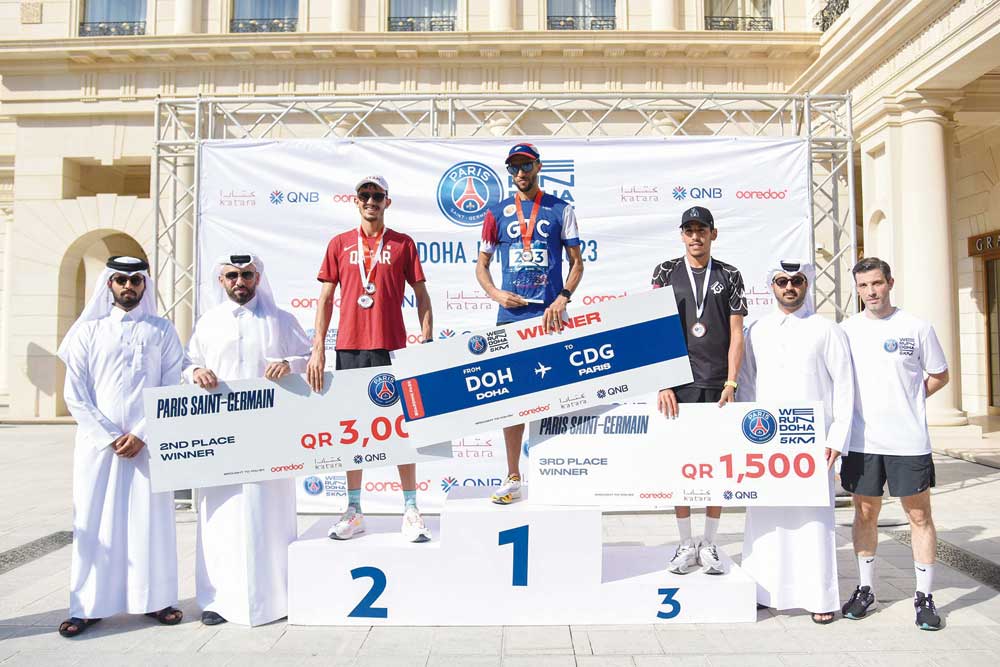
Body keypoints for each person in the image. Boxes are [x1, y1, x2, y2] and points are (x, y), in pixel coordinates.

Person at [57, 256, 185, 637]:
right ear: (108, 285)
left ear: (144, 285)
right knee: (95, 523)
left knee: (152, 521)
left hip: (148, 444)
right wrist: (110, 435)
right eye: (120, 280)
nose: (128, 287)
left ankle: (156, 600)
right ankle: (88, 606)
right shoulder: (87, 332)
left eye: (135, 280)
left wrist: (143, 431)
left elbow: (171, 385)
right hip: (99, 446)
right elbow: (75, 394)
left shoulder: (162, 331)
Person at [184, 254, 311, 626]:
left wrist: (290, 364)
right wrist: (196, 371)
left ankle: (277, 597)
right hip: (220, 437)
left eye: (247, 275)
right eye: (232, 276)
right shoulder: (208, 323)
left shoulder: (281, 320)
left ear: (258, 277)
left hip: (269, 435)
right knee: (221, 517)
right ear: (221, 280)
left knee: (267, 513)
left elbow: (309, 357)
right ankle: (218, 600)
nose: (240, 281)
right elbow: (186, 363)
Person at [306, 175, 434, 542]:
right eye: (365, 195)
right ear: (356, 200)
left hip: (392, 346)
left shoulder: (403, 244)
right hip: (349, 348)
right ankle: (354, 508)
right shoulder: (339, 244)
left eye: (378, 196)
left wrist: (426, 336)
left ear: (387, 203)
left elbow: (422, 294)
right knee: (353, 430)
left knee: (400, 429)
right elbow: (326, 299)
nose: (371, 201)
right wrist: (319, 348)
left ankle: (410, 508)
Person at [738, 260, 854, 624]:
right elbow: (746, 385)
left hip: (813, 444)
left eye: (797, 281)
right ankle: (760, 590)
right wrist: (745, 438)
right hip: (767, 442)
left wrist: (837, 438)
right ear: (772, 286)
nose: (789, 287)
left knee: (814, 521)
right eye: (782, 281)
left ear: (807, 285)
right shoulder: (756, 330)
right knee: (765, 518)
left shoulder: (827, 329)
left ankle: (820, 597)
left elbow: (846, 388)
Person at [840, 257, 948, 631]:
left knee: (919, 517)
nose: (871, 292)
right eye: (864, 285)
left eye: (877, 283)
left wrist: (910, 400)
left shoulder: (916, 327)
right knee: (865, 515)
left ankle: (924, 596)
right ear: (857, 289)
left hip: (908, 441)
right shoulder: (846, 330)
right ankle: (866, 589)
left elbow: (939, 374)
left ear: (890, 283)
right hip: (862, 441)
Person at [475, 142, 584, 505]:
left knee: (554, 397)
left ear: (538, 166)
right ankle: (512, 475)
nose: (520, 173)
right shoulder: (496, 212)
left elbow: (577, 263)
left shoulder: (560, 209)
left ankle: (552, 473)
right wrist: (495, 294)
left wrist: (562, 298)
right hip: (511, 316)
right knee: (512, 399)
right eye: (514, 167)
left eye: (526, 165)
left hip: (549, 317)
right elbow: (481, 265)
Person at [651, 205, 747, 575]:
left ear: (713, 234)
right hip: (678, 385)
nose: (695, 236)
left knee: (714, 467)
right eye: (689, 230)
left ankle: (709, 542)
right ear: (681, 235)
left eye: (701, 230)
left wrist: (732, 381)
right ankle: (684, 543)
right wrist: (663, 381)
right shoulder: (664, 272)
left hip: (717, 384)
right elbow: (655, 327)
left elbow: (736, 331)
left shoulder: (730, 274)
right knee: (680, 465)